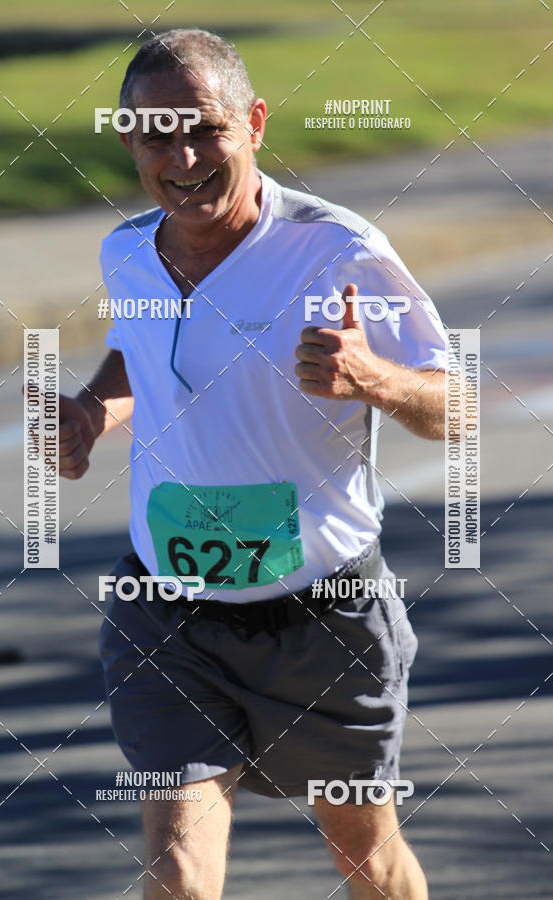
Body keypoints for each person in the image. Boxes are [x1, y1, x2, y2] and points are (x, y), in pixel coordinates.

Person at [59, 28, 447, 899]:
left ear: (255, 123)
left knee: (364, 855)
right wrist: (92, 410)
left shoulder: (336, 251)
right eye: (157, 133)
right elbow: (144, 352)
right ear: (127, 138)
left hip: (324, 621)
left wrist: (371, 376)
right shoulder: (128, 252)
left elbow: (453, 408)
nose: (184, 156)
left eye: (205, 128)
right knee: (178, 871)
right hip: (168, 615)